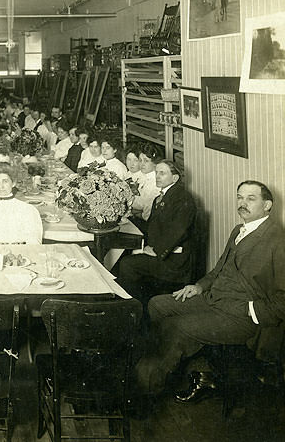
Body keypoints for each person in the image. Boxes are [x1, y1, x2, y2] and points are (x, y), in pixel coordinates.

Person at [136, 181, 285, 401]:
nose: (242, 204)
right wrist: (199, 286)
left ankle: (148, 390)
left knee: (176, 327)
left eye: (251, 199)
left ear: (267, 205)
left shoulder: (277, 241)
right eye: (240, 197)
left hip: (241, 316)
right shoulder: (239, 230)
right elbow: (218, 270)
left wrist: (250, 310)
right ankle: (168, 367)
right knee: (157, 304)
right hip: (213, 297)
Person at [116, 161, 197, 308]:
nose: (157, 177)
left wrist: (156, 250)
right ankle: (132, 302)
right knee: (122, 253)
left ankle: (133, 308)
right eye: (157, 173)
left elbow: (178, 232)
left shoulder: (182, 198)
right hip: (163, 252)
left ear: (175, 178)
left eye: (162, 173)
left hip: (174, 261)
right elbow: (152, 227)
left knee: (128, 265)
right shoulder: (161, 197)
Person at [0, 162, 43, 245]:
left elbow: (34, 243)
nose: (1, 186)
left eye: (5, 181)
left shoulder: (28, 210)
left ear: (13, 183)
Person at [131, 142, 161, 225]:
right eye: (140, 160)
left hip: (146, 223)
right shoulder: (142, 175)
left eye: (146, 161)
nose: (142, 164)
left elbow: (147, 214)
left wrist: (134, 211)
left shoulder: (156, 182)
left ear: (155, 163)